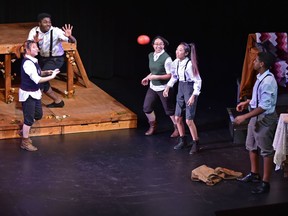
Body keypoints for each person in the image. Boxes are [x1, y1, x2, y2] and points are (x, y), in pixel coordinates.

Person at [234, 51, 278, 194]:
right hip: (256, 117)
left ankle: (265, 183)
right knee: (251, 145)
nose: (253, 62)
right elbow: (258, 99)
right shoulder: (260, 77)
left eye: (256, 60)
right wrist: (247, 102)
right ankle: (254, 174)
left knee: (266, 150)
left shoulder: (268, 81)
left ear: (262, 64)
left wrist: (244, 117)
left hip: (265, 119)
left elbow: (264, 106)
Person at [27, 12, 77, 108]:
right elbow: (28, 45)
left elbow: (73, 42)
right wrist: (34, 42)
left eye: (49, 22)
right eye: (45, 22)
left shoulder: (56, 31)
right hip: (42, 59)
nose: (48, 24)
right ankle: (58, 101)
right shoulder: (34, 31)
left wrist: (69, 36)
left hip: (55, 59)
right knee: (44, 82)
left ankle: (34, 105)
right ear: (39, 23)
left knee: (40, 80)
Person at [19, 40, 60, 151]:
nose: (37, 49)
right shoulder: (28, 63)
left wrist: (48, 72)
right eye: (34, 47)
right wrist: (52, 77)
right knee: (28, 120)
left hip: (35, 93)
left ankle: (24, 130)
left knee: (38, 115)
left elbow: (38, 73)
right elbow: (38, 79)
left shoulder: (33, 61)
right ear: (27, 50)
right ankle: (25, 142)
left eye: (36, 47)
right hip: (28, 94)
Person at [163, 42, 202, 155]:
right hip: (181, 87)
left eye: (180, 50)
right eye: (177, 49)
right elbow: (174, 76)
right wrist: (168, 87)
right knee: (177, 117)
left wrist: (194, 95)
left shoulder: (190, 65)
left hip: (189, 89)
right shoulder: (175, 63)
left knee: (189, 120)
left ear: (186, 53)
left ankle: (196, 143)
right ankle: (182, 140)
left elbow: (198, 80)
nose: (177, 52)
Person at [141, 35, 179, 137]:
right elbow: (153, 72)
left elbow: (170, 75)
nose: (158, 46)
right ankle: (153, 126)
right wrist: (147, 78)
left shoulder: (167, 58)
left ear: (164, 45)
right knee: (147, 108)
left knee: (169, 110)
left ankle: (177, 128)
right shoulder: (150, 55)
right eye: (156, 44)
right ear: (153, 45)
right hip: (153, 87)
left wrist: (155, 77)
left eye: (161, 44)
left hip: (164, 87)